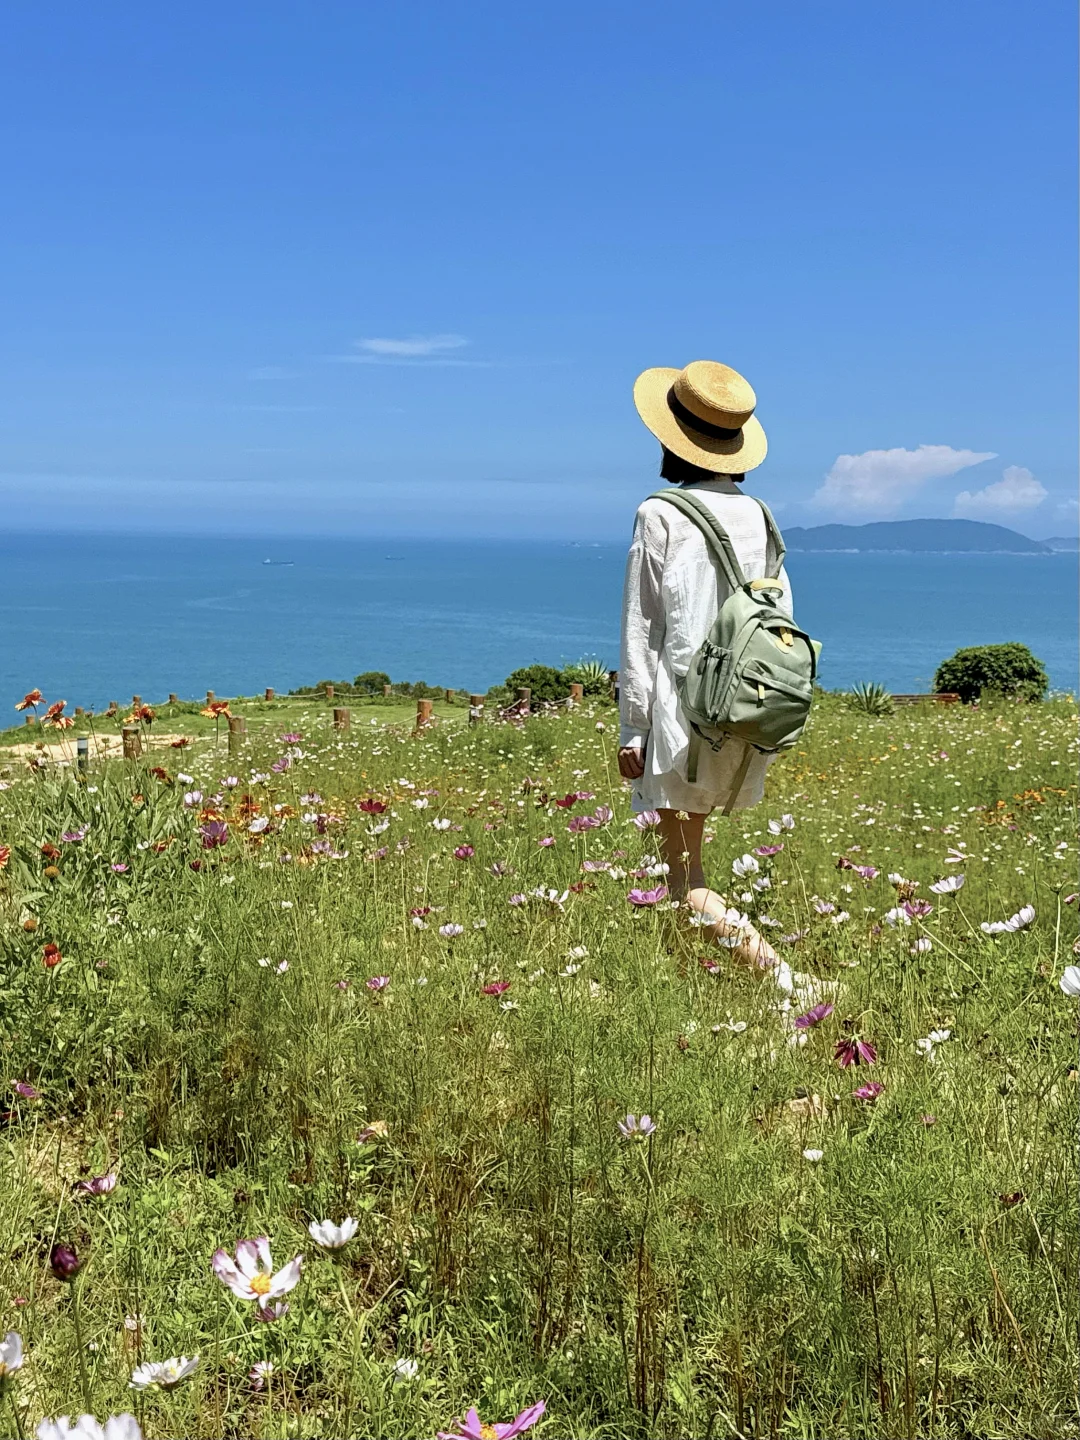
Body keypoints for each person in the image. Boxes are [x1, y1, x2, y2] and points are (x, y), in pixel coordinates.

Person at [619, 360, 790, 967]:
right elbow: (780, 616)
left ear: (671, 437)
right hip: (745, 709)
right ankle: (694, 974)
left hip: (680, 714)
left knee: (686, 883)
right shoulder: (761, 516)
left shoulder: (659, 514)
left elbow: (644, 630)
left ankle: (788, 982)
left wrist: (633, 728)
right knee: (687, 866)